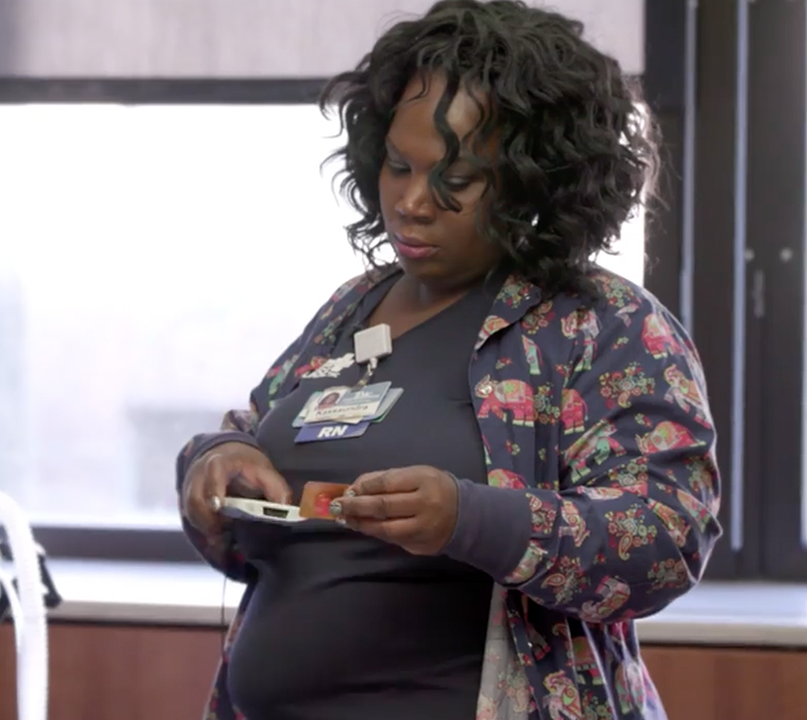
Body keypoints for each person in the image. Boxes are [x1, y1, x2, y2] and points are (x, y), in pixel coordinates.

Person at [175, 2, 722, 719]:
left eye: (453, 182)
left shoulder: (605, 325)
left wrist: (469, 519)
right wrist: (216, 459)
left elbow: (664, 539)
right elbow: (256, 426)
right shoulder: (353, 307)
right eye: (397, 166)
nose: (409, 202)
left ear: (535, 181)